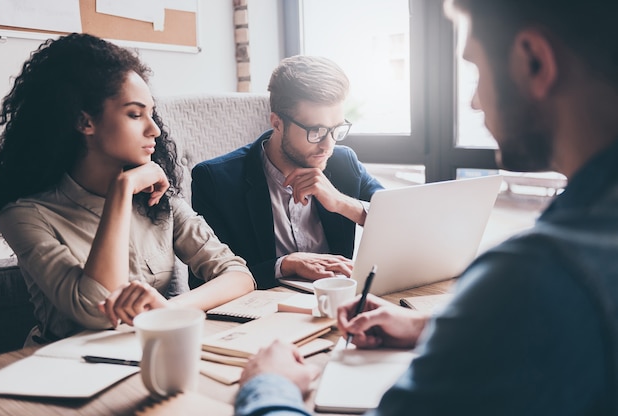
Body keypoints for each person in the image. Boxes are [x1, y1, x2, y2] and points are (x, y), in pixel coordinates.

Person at [235, 0, 618, 414]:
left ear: (534, 62)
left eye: (474, 68)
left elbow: (401, 214)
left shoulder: (530, 277)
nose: (474, 102)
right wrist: (434, 326)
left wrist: (268, 388)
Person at [0, 33, 255, 344]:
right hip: (66, 370)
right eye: (135, 114)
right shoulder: (24, 215)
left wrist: (167, 311)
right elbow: (97, 310)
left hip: (147, 351)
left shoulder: (158, 201)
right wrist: (121, 190)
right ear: (84, 122)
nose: (154, 128)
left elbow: (238, 275)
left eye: (151, 113)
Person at [191, 55, 384, 289]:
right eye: (316, 131)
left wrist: (341, 203)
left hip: (336, 306)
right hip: (264, 313)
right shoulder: (215, 181)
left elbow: (403, 220)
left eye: (336, 129)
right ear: (277, 123)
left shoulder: (344, 163)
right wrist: (284, 265)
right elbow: (204, 280)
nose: (328, 145)